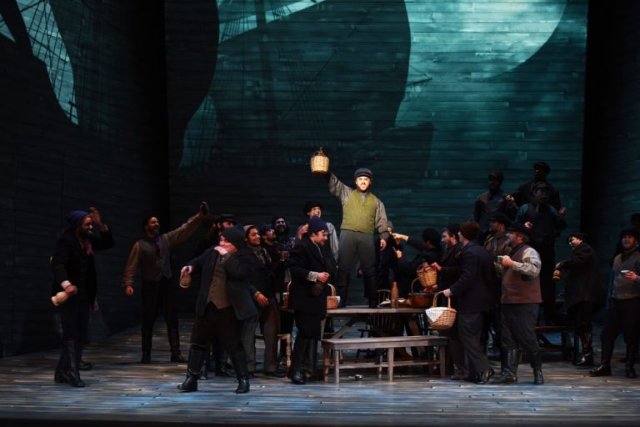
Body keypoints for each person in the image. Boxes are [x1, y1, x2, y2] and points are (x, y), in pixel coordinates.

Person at [177, 226, 257, 393]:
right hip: (207, 305)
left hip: (229, 308)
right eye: (221, 240)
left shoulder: (246, 256)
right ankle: (191, 378)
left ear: (235, 243)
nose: (221, 243)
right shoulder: (212, 252)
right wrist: (190, 267)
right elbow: (198, 260)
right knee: (198, 343)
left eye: (226, 241)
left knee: (234, 345)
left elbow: (239, 273)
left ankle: (243, 380)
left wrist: (226, 255)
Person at [122, 205, 205, 363]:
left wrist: (198, 217)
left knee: (172, 319)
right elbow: (131, 265)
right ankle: (146, 354)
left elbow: (183, 230)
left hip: (166, 283)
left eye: (157, 222)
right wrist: (128, 283)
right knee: (148, 320)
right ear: (146, 226)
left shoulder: (165, 239)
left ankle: (175, 352)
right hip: (150, 285)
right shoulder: (140, 245)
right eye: (153, 222)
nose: (156, 224)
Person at [51, 208, 114, 387]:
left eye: (91, 224)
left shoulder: (87, 239)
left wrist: (101, 225)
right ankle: (72, 373)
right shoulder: (66, 240)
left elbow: (108, 243)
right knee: (71, 334)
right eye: (87, 225)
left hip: (84, 294)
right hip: (68, 294)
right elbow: (58, 265)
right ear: (77, 225)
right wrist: (66, 285)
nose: (90, 227)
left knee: (80, 334)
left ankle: (61, 372)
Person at [327, 167, 390, 307]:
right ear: (355, 181)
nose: (363, 181)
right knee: (343, 267)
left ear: (370, 182)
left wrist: (383, 236)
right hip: (347, 233)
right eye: (360, 179)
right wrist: (327, 173)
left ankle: (372, 301)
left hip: (366, 236)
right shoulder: (347, 193)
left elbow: (382, 220)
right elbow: (335, 184)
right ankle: (341, 300)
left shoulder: (376, 201)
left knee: (369, 269)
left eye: (366, 179)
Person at [491, 222, 544, 385]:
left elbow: (534, 270)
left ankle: (537, 371)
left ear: (519, 236)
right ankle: (509, 373)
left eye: (511, 233)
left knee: (528, 337)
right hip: (508, 301)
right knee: (507, 338)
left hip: (525, 302)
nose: (508, 235)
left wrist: (511, 264)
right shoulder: (511, 251)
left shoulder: (529, 251)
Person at [442, 221, 495, 384]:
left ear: (462, 234)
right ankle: (475, 372)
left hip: (471, 302)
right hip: (481, 302)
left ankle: (484, 369)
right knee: (473, 337)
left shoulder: (470, 252)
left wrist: (451, 290)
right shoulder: (480, 250)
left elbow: (468, 277)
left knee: (468, 337)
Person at [288, 216, 337, 384]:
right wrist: (315, 275)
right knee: (304, 334)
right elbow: (294, 268)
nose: (326, 237)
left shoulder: (321, 248)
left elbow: (329, 265)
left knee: (313, 334)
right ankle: (295, 370)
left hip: (316, 298)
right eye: (323, 234)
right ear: (313, 233)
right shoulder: (302, 246)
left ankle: (309, 370)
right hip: (304, 298)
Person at [590, 228, 640, 378]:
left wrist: (637, 278)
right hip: (615, 301)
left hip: (632, 301)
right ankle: (605, 365)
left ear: (636, 240)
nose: (626, 239)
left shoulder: (638, 257)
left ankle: (629, 366)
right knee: (607, 334)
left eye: (630, 237)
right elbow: (612, 281)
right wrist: (609, 300)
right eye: (624, 237)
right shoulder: (617, 258)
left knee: (631, 335)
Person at [515, 181, 567, 324]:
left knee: (548, 285)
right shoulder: (525, 208)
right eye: (541, 191)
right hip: (530, 252)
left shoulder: (551, 210)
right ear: (534, 193)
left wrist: (561, 217)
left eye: (546, 191)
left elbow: (561, 226)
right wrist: (524, 227)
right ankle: (532, 319)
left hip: (547, 252)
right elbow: (515, 226)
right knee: (529, 282)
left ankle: (549, 317)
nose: (544, 194)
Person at [240, 225, 285, 377]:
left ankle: (270, 366)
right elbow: (243, 278)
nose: (258, 237)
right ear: (246, 238)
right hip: (252, 298)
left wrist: (281, 260)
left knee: (271, 333)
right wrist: (256, 293)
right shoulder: (242, 255)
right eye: (253, 235)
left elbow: (271, 272)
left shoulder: (264, 252)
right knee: (248, 334)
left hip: (269, 296)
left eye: (258, 234)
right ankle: (249, 367)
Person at [554, 232, 603, 366]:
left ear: (580, 239)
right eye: (569, 241)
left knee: (584, 324)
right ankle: (586, 354)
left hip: (586, 295)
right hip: (583, 295)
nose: (570, 243)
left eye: (572, 240)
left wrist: (562, 264)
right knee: (581, 324)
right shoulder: (580, 251)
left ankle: (587, 354)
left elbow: (577, 262)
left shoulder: (585, 249)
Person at [473, 171, 517, 243]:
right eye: (490, 180)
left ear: (500, 182)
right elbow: (476, 217)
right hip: (482, 234)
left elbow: (512, 217)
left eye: (495, 180)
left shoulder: (505, 198)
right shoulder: (481, 198)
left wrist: (511, 204)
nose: (492, 182)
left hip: (498, 234)